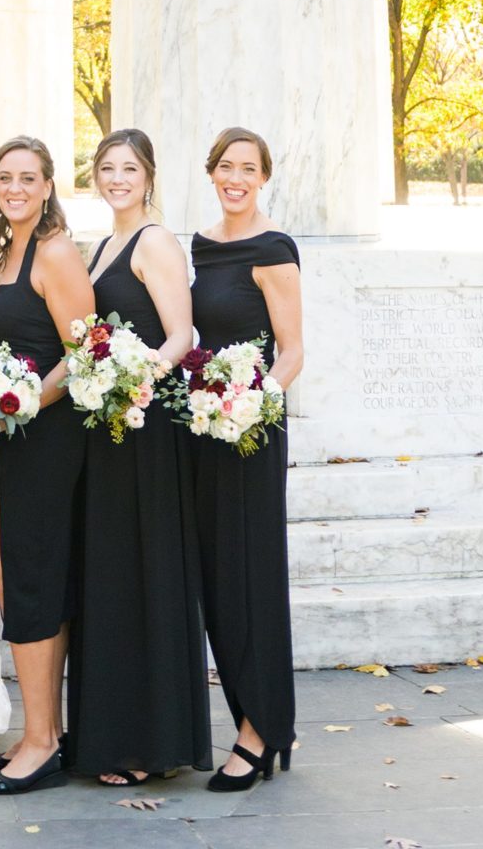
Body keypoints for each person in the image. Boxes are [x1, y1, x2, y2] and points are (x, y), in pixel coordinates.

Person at [69, 127, 211, 787]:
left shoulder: (154, 240)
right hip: (107, 430)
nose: (116, 178)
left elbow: (180, 335)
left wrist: (132, 376)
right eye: (106, 168)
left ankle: (149, 741)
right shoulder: (102, 245)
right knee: (110, 579)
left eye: (128, 168)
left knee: (142, 573)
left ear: (148, 175)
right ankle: (112, 736)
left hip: (146, 428)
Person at [0, 132, 93, 797]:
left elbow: (85, 350)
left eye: (27, 178)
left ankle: (42, 739)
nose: (15, 189)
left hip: (48, 440)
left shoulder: (53, 252)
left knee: (28, 580)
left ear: (48, 186)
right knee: (11, 577)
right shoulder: (4, 253)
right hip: (9, 442)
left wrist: (25, 400)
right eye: (5, 179)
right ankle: (38, 729)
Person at [192, 124, 304, 792]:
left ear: (262, 178)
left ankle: (259, 731)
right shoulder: (201, 249)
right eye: (225, 167)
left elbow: (290, 352)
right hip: (205, 432)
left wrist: (249, 404)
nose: (235, 177)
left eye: (248, 168)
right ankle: (248, 716)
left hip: (252, 432)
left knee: (251, 575)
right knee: (216, 579)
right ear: (211, 174)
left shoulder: (273, 249)